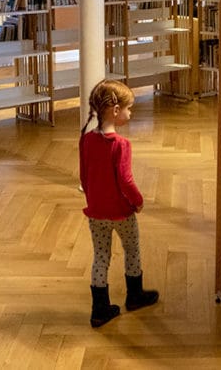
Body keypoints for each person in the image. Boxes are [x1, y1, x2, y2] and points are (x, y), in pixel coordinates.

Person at [79, 79, 159, 328]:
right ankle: (134, 296)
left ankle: (99, 309)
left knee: (100, 256)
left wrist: (93, 200)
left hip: (96, 212)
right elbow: (125, 181)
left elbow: (84, 176)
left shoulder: (86, 140)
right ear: (115, 111)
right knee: (132, 250)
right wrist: (138, 201)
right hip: (122, 213)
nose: (130, 112)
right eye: (129, 108)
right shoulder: (121, 145)